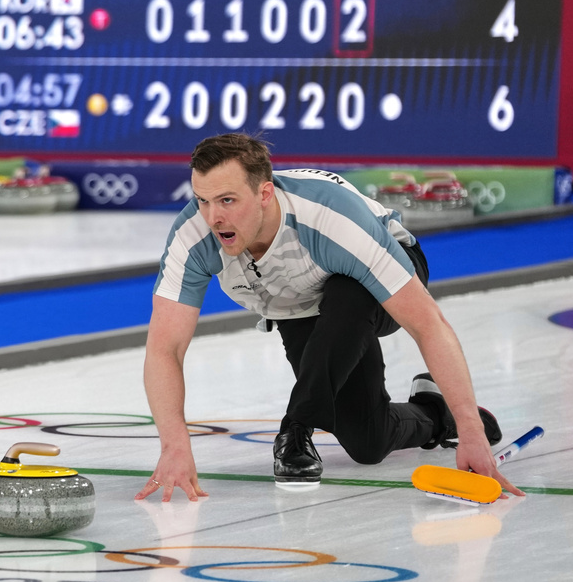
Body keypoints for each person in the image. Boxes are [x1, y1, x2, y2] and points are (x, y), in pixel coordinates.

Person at [135, 132, 522, 502]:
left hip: (374, 282)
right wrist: (174, 445)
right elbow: (165, 348)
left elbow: (427, 325)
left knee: (349, 292)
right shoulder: (193, 236)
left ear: (265, 193)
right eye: (202, 201)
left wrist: (472, 429)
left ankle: (295, 427)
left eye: (227, 201)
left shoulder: (332, 220)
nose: (213, 217)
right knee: (367, 441)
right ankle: (436, 414)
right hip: (300, 303)